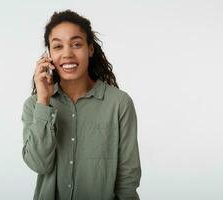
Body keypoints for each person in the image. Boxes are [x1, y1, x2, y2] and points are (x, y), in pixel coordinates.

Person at [21, 9, 141, 200]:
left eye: (76, 44)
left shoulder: (119, 104)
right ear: (48, 54)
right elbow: (39, 165)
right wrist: (43, 101)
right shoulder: (34, 106)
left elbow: (127, 181)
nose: (67, 54)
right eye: (58, 46)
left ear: (90, 49)